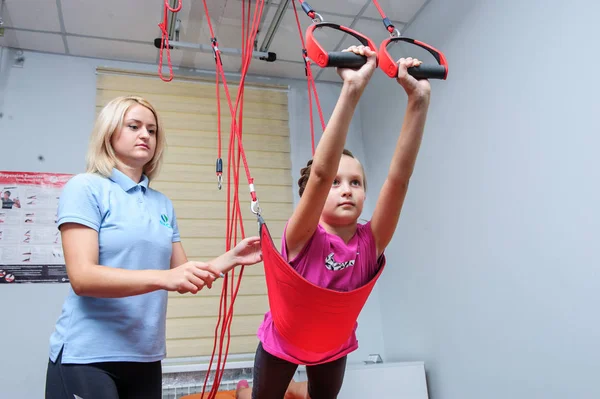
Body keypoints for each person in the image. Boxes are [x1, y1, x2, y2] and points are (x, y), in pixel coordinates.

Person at [44, 96, 263, 399]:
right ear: (109, 132)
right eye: (133, 126)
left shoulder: (161, 203)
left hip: (145, 356)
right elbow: (83, 278)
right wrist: (163, 278)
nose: (145, 134)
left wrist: (230, 259)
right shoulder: (85, 188)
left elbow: (181, 275)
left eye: (152, 130)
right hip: (89, 356)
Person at [249, 45, 432, 399]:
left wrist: (419, 99)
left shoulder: (369, 242)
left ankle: (297, 391)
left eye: (355, 183)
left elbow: (399, 180)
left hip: (331, 348)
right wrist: (351, 89)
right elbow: (319, 173)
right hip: (281, 343)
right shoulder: (303, 237)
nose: (346, 190)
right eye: (336, 183)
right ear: (314, 197)